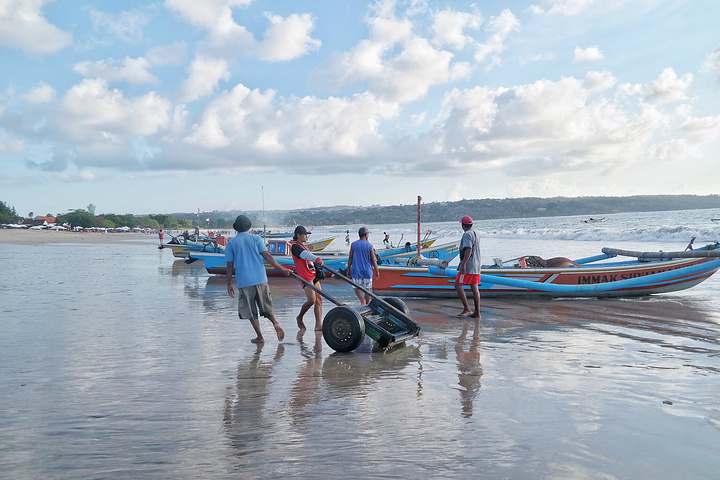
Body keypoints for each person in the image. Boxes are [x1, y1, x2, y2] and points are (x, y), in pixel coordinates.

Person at [225, 214, 291, 344]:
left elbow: (229, 265)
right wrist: (282, 269)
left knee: (250, 311)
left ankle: (260, 337)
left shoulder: (231, 243)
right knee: (266, 305)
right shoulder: (256, 238)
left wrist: (229, 284)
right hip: (260, 278)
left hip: (244, 281)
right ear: (248, 227)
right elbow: (267, 256)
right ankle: (275, 323)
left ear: (236, 228)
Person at [291, 225, 324, 331]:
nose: (306, 236)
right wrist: (317, 258)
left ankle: (318, 325)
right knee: (311, 300)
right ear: (298, 235)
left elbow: (310, 258)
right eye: (304, 235)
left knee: (319, 299)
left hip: (313, 274)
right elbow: (304, 255)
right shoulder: (295, 247)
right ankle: (299, 317)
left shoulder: (305, 247)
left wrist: (318, 268)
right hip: (305, 276)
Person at [454, 215, 481, 318]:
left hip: (468, 265)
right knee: (474, 287)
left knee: (458, 285)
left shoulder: (467, 235)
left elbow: (468, 249)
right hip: (476, 265)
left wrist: (463, 264)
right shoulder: (475, 234)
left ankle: (467, 309)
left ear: (462, 225)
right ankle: (477, 313)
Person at [347, 227, 380, 305]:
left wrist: (348, 269)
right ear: (366, 235)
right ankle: (367, 303)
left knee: (356, 287)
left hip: (356, 270)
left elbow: (350, 258)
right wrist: (377, 271)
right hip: (367, 271)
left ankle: (362, 300)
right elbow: (373, 260)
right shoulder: (370, 246)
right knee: (367, 288)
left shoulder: (353, 244)